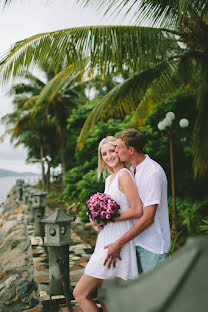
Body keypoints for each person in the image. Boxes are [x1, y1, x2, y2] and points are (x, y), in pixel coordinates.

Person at [73, 136, 143, 312]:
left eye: (112, 151)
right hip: (106, 238)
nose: (109, 156)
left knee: (80, 293)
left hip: (117, 240)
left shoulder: (124, 175)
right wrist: (98, 222)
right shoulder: (108, 180)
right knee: (105, 298)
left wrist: (109, 219)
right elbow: (111, 212)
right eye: (104, 154)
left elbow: (137, 210)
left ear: (119, 151)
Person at [104, 128, 171, 274]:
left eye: (119, 148)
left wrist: (118, 243)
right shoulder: (134, 169)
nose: (115, 151)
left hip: (152, 246)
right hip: (135, 243)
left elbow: (148, 218)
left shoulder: (153, 172)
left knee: (155, 295)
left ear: (131, 150)